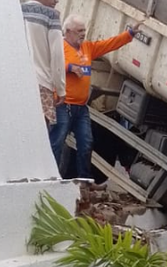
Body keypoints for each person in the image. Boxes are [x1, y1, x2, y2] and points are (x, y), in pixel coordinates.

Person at [49, 14, 142, 179]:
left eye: (84, 30)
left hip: (81, 108)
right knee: (57, 141)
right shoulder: (60, 47)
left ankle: (84, 180)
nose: (82, 34)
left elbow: (108, 45)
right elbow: (50, 65)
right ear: (68, 32)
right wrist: (70, 67)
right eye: (79, 31)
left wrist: (129, 35)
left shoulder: (87, 48)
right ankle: (51, 177)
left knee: (86, 143)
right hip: (63, 105)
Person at [21, 0, 66, 128]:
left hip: (18, 80)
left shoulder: (18, 10)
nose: (56, 0)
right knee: (38, 133)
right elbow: (57, 55)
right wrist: (60, 89)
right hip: (41, 83)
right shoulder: (52, 16)